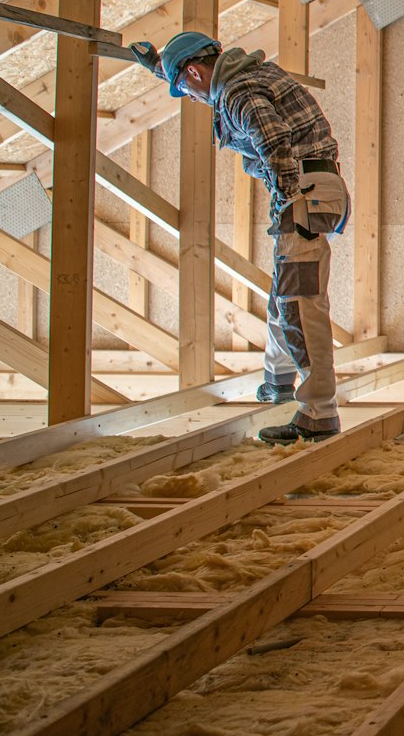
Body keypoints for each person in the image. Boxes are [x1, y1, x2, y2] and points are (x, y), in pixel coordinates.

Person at [130, 31, 350, 445]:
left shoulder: (237, 90)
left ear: (195, 71)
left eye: (186, 90)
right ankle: (278, 381)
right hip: (315, 188)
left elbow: (271, 140)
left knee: (299, 303)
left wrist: (286, 196)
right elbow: (204, 81)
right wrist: (160, 67)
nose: (192, 99)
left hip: (303, 194)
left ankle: (319, 412)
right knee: (282, 297)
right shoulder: (245, 75)